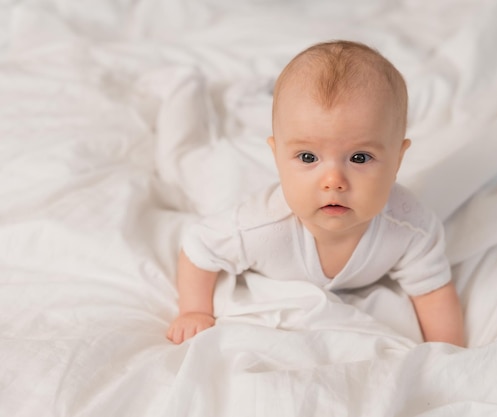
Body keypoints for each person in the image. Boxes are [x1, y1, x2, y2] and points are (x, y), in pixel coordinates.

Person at [167, 40, 465, 346]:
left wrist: (450, 353)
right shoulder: (258, 228)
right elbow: (198, 248)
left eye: (360, 158)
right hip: (232, 181)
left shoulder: (411, 228)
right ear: (278, 156)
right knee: (182, 163)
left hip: (282, 176)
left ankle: (255, 107)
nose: (333, 181)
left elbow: (433, 291)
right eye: (308, 157)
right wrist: (193, 311)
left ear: (398, 159)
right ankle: (185, 86)